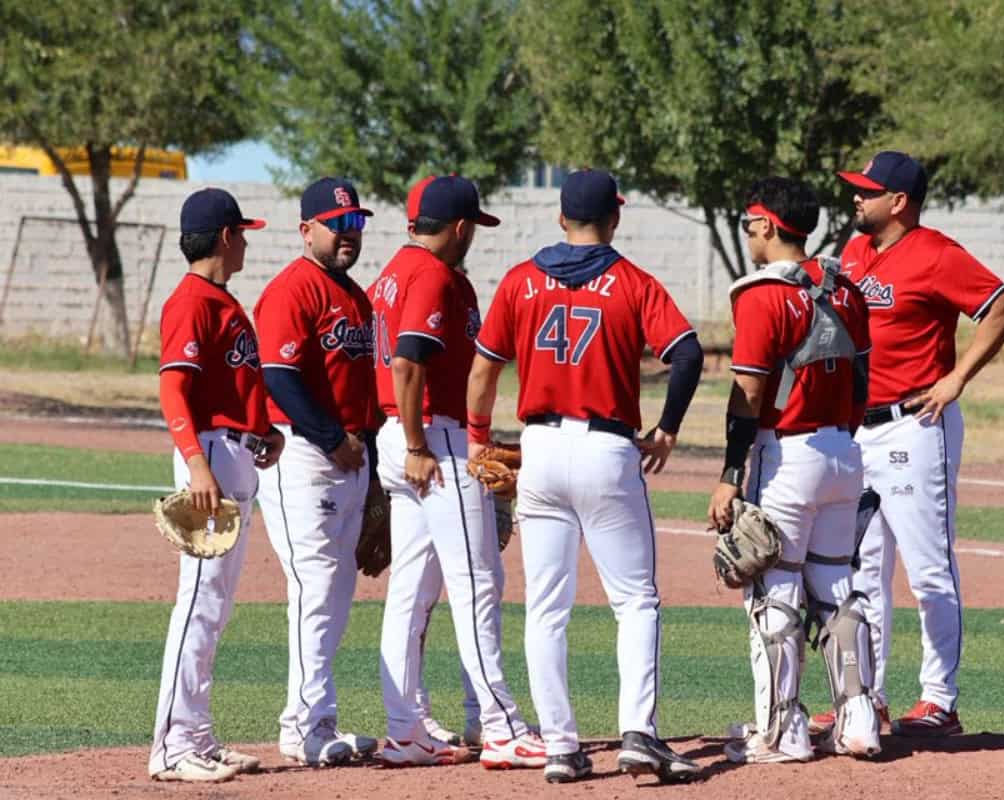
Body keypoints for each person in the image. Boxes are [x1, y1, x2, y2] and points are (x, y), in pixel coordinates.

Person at [466, 169, 705, 784]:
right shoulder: (630, 282)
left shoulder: (521, 281)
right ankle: (638, 734)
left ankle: (562, 748)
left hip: (540, 449)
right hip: (606, 451)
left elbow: (483, 372)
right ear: (615, 218)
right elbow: (687, 354)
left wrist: (474, 439)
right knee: (636, 601)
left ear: (560, 217)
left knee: (546, 607)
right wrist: (668, 427)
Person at [814, 151, 1004, 737]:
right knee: (865, 571)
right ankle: (867, 699)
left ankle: (939, 700)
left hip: (915, 424)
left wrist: (957, 379)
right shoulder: (856, 251)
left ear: (898, 201)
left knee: (929, 570)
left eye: (867, 191)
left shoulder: (936, 254)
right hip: (860, 426)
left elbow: (1003, 307)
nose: (856, 198)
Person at [368, 175, 542, 769]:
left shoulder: (394, 270)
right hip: (431, 438)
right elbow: (407, 362)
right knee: (477, 581)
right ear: (462, 227)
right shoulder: (434, 276)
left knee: (411, 591)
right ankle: (499, 727)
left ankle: (406, 728)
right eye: (474, 228)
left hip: (407, 436)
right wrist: (420, 444)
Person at [706, 177, 877, 764]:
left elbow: (749, 391)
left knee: (774, 591)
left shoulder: (761, 295)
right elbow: (861, 379)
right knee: (836, 591)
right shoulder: (846, 289)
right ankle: (859, 721)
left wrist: (731, 472)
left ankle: (784, 731)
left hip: (788, 457)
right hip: (842, 453)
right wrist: (844, 439)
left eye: (751, 223)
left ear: (771, 225)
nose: (749, 233)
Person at [149, 188, 284, 782]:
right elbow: (174, 389)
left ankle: (197, 735)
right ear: (225, 237)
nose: (247, 240)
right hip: (208, 456)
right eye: (243, 232)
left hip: (232, 455)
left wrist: (264, 432)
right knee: (199, 603)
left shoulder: (219, 300)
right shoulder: (192, 301)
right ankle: (173, 748)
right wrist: (197, 465)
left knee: (217, 606)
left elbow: (233, 387)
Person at [254, 177, 380, 766]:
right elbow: (278, 377)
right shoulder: (291, 290)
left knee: (335, 591)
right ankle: (303, 727)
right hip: (305, 455)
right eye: (338, 224)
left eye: (355, 222)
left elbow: (363, 387)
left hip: (350, 457)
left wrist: (370, 463)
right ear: (307, 229)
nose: (349, 233)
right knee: (316, 588)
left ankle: (314, 721)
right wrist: (333, 440)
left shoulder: (355, 296)